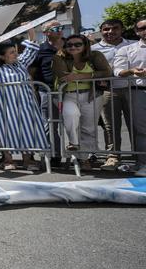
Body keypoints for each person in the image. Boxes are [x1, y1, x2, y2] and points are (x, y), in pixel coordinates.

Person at [0, 32, 48, 171]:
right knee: (6, 131)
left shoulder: (21, 64)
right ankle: (8, 160)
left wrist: (31, 31)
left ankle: (27, 160)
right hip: (5, 106)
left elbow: (31, 50)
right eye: (11, 52)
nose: (15, 54)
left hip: (26, 104)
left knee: (28, 130)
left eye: (15, 51)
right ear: (2, 56)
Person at [52, 34, 111, 168]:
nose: (73, 47)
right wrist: (92, 76)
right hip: (68, 95)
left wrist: (79, 76)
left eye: (78, 44)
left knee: (88, 128)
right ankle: (74, 143)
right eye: (69, 45)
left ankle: (84, 159)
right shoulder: (58, 57)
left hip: (92, 95)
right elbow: (63, 77)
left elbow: (107, 72)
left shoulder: (95, 55)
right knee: (70, 115)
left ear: (85, 45)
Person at [91, 19, 135, 170]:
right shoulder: (94, 49)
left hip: (133, 89)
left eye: (115, 28)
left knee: (136, 124)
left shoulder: (133, 45)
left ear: (122, 29)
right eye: (106, 29)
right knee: (111, 126)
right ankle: (113, 156)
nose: (110, 32)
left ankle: (139, 155)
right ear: (101, 31)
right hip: (108, 91)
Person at [112, 19, 146, 176]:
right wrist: (132, 71)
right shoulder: (127, 49)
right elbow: (117, 71)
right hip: (138, 91)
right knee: (142, 131)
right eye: (143, 28)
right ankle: (143, 164)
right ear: (137, 31)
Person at [31, 21, 65, 161]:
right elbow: (32, 71)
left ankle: (82, 157)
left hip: (71, 91)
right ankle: (53, 155)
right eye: (55, 28)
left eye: (61, 28)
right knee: (49, 124)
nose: (59, 30)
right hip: (47, 92)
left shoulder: (71, 44)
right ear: (46, 33)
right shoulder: (40, 49)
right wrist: (34, 89)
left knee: (75, 124)